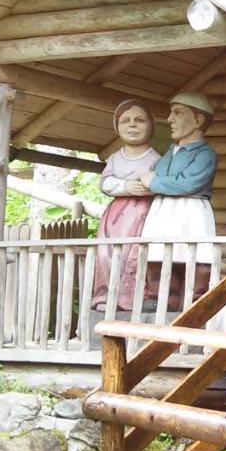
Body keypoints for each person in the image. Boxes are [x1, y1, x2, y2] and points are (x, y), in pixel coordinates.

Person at [139, 92, 218, 309]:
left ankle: (194, 303)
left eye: (178, 113)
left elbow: (187, 183)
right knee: (158, 253)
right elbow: (158, 174)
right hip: (164, 210)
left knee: (194, 255)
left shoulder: (205, 154)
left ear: (198, 120)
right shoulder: (170, 153)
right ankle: (160, 299)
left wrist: (154, 182)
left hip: (190, 210)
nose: (170, 119)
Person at [91, 99, 161, 311]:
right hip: (114, 218)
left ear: (151, 125)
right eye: (126, 121)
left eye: (139, 120)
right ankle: (105, 297)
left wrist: (146, 187)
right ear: (117, 127)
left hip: (143, 214)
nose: (132, 125)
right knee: (106, 255)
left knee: (136, 255)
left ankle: (132, 298)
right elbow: (104, 183)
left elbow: (158, 182)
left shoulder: (156, 158)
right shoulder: (114, 157)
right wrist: (126, 186)